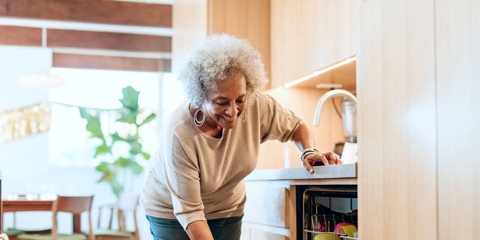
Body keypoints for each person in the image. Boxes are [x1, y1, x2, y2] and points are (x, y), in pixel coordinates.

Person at [140, 34, 342, 240]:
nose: (233, 111)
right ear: (200, 98)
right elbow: (190, 212)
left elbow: (297, 126)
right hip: (171, 210)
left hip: (226, 208)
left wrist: (309, 151)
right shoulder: (179, 133)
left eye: (240, 99)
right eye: (221, 102)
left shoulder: (257, 105)